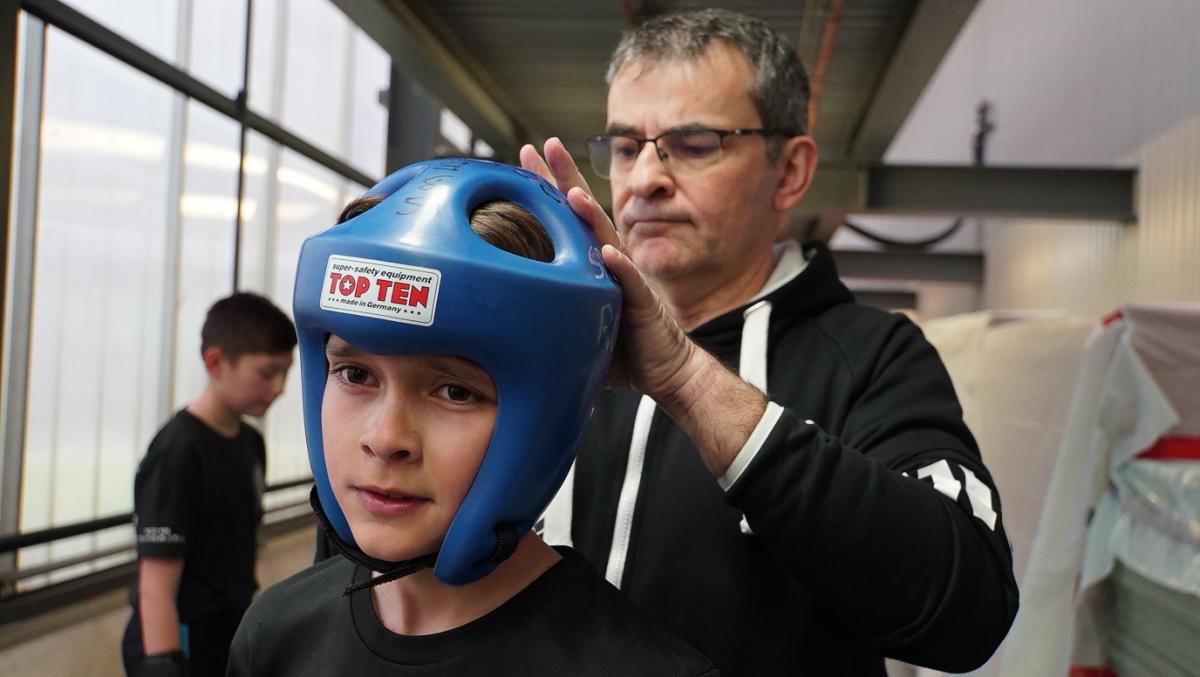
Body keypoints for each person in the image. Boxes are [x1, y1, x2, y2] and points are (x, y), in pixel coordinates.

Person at [520, 8, 1019, 676]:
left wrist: (690, 381)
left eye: (694, 144)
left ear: (790, 171)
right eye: (625, 147)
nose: (643, 180)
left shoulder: (872, 356)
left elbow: (972, 608)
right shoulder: (554, 343)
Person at [228, 159, 717, 676]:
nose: (385, 439)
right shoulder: (274, 635)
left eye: (455, 392)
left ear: (546, 421)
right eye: (355, 374)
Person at [123, 292, 296, 677]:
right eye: (267, 373)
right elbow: (155, 584)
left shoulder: (251, 443)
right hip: (178, 639)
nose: (280, 387)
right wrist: (164, 662)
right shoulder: (178, 451)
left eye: (286, 373)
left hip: (226, 631)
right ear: (216, 362)